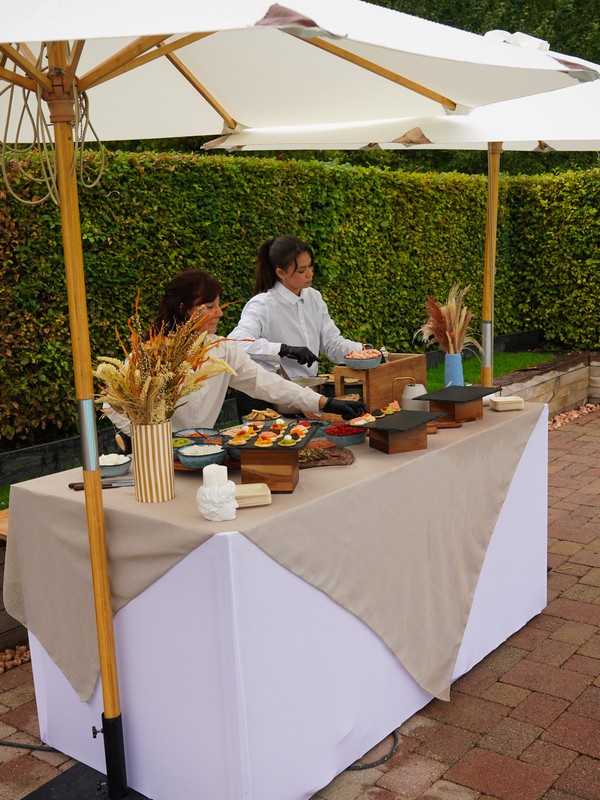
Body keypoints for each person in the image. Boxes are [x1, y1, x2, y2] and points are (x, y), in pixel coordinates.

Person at [107, 270, 367, 450]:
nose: (219, 313)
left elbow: (266, 382)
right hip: (159, 462)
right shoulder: (151, 353)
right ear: (183, 308)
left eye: (218, 305)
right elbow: (112, 402)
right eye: (209, 307)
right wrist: (150, 440)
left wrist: (325, 402)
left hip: (206, 456)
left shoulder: (222, 350)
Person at [228, 236, 369, 417]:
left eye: (310, 266)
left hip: (307, 395)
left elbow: (332, 343)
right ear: (281, 273)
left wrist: (362, 350)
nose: (310, 274)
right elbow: (235, 343)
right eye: (302, 270)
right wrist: (283, 349)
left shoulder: (314, 298)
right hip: (267, 401)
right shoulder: (262, 304)